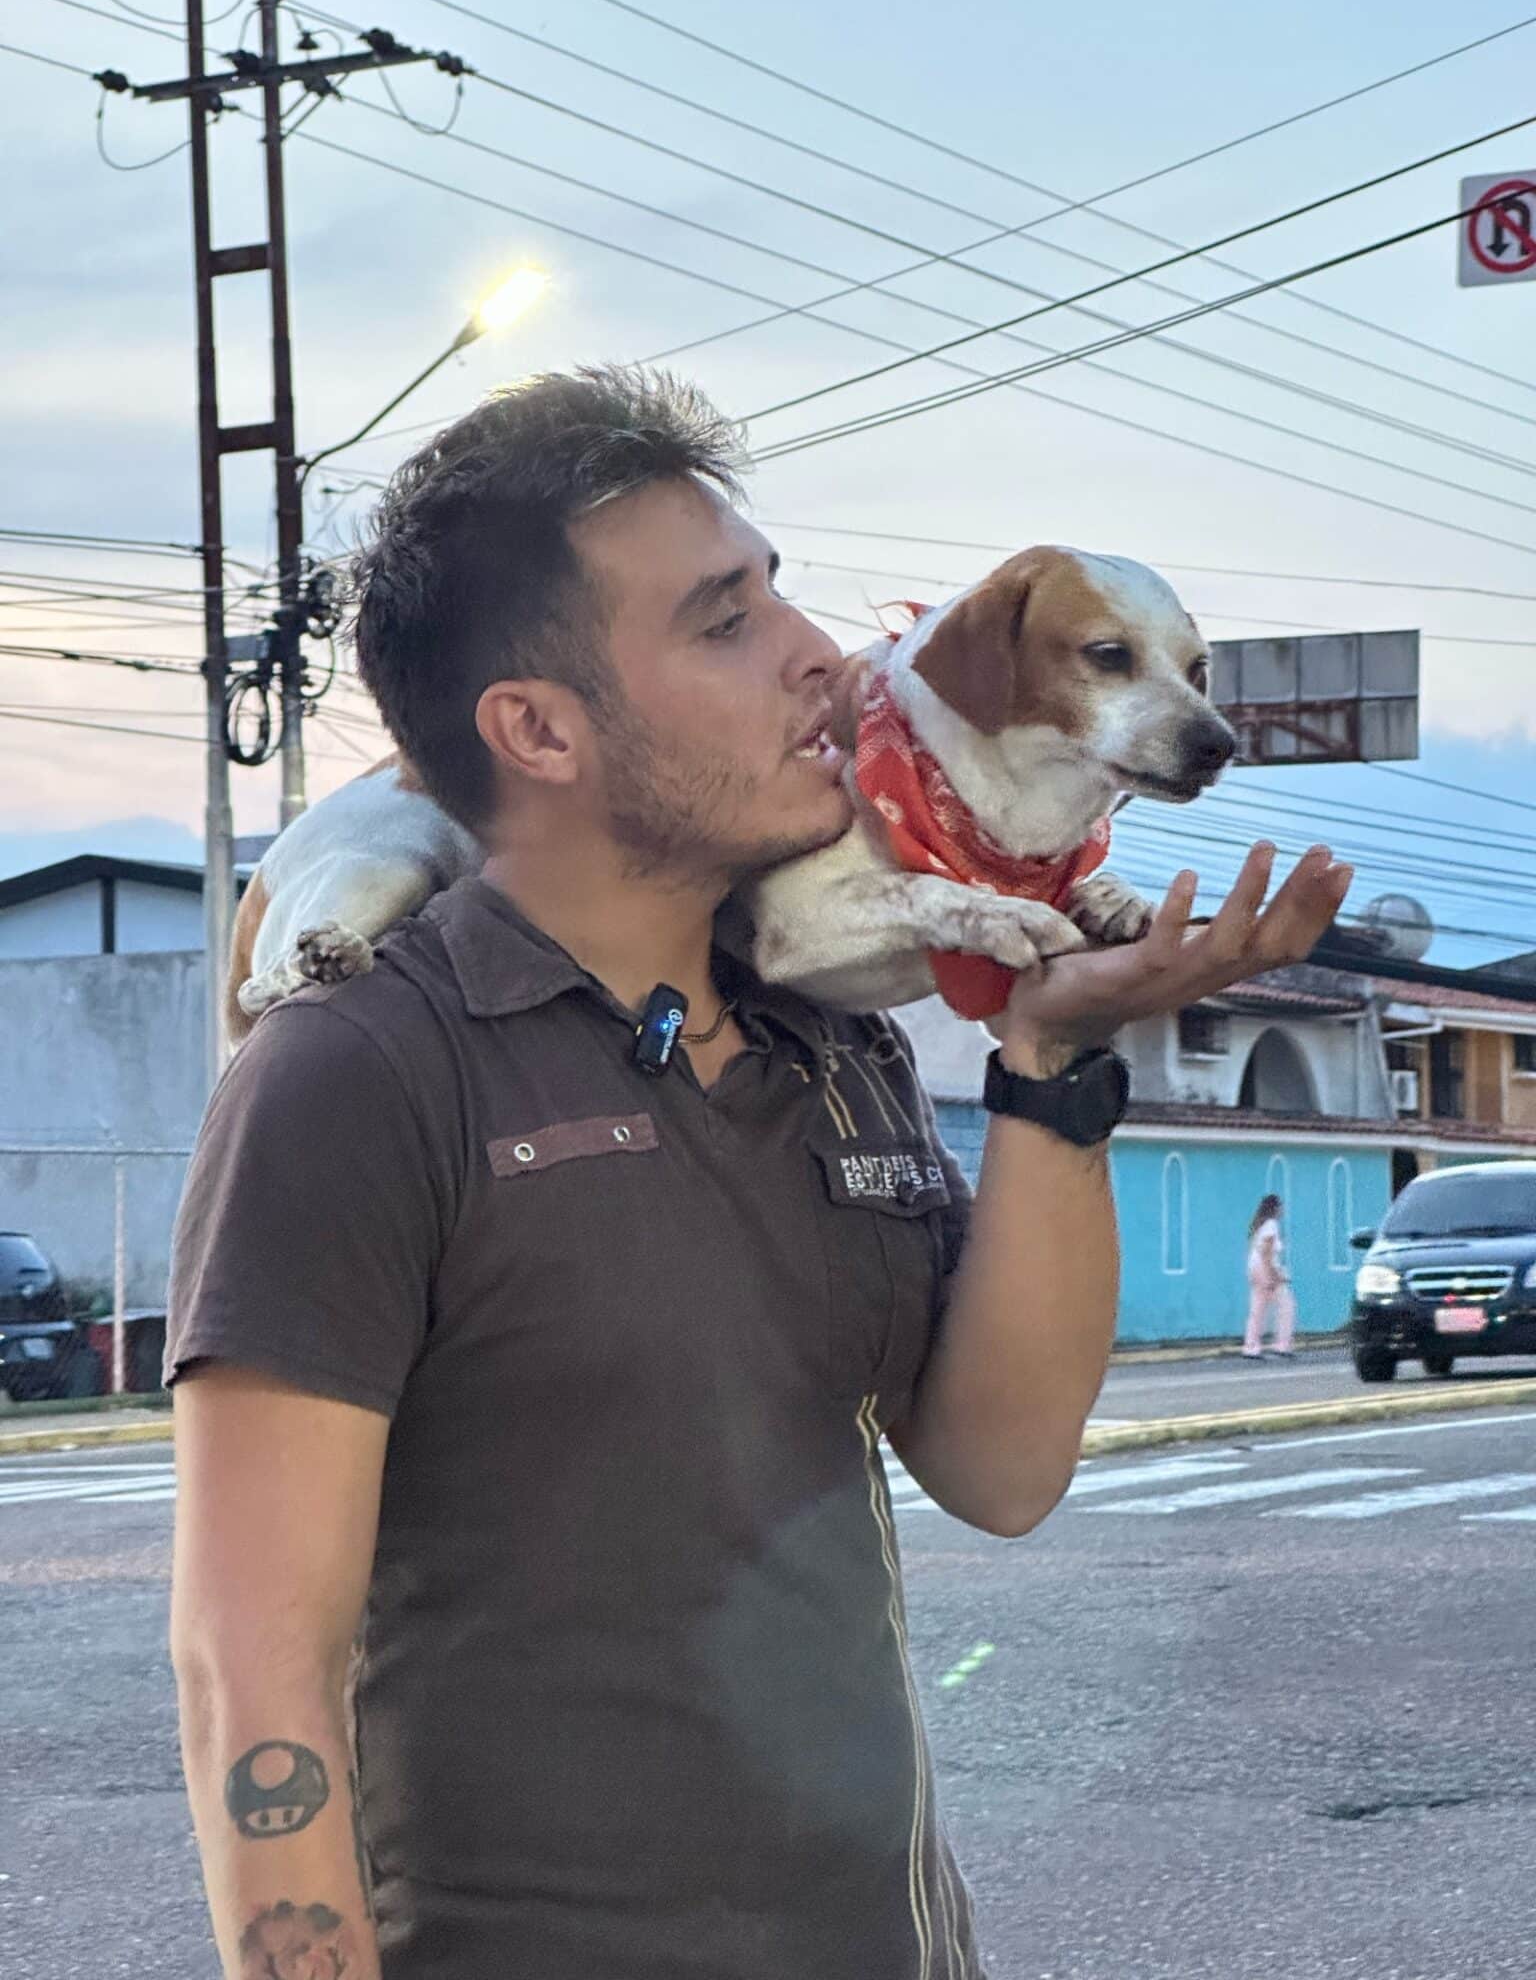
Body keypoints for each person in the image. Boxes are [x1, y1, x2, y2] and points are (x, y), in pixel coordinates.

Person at [164, 365, 1352, 1980]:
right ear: (538, 726)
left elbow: (1002, 1469)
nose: (816, 652)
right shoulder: (362, 1064)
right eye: (726, 618)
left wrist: (1051, 1058)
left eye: (782, 589)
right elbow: (255, 1670)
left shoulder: (827, 1032)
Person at [1243, 1192, 1296, 1359]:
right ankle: (1282, 1345)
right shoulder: (1272, 1225)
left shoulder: (1260, 1224)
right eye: (1281, 1207)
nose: (1283, 1210)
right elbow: (1266, 1252)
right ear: (1275, 1208)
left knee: (1257, 1308)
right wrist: (1274, 1275)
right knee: (1286, 1305)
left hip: (1254, 1267)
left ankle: (1251, 1346)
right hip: (1265, 1268)